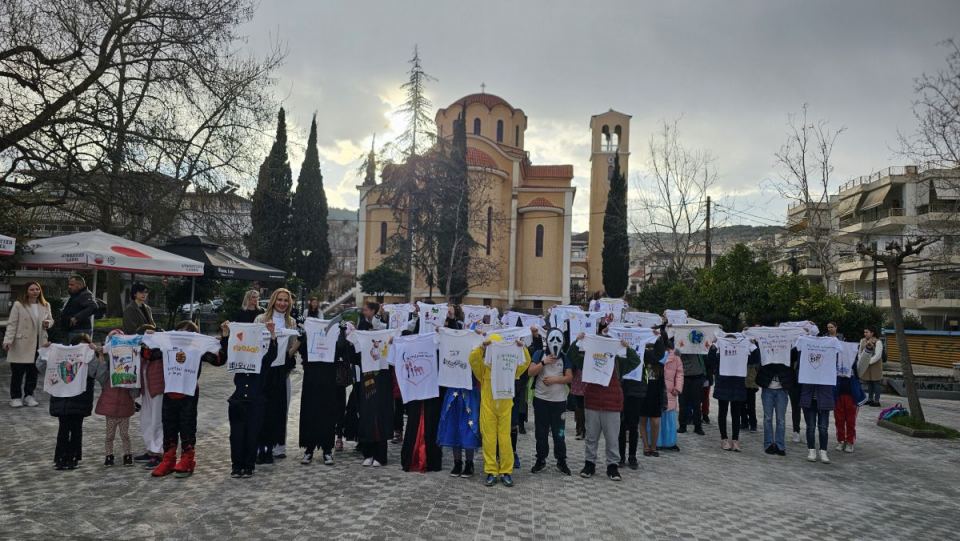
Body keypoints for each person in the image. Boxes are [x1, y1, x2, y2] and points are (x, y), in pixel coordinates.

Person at [142, 321, 225, 478]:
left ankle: (188, 460)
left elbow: (219, 360)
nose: (181, 337)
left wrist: (224, 340)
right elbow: (148, 355)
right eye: (179, 332)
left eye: (187, 333)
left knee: (187, 427)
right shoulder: (167, 345)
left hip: (189, 392)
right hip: (170, 391)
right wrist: (149, 339)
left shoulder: (198, 347)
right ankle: (168, 459)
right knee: (169, 426)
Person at [568, 323, 641, 482]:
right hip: (592, 403)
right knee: (591, 437)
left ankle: (612, 466)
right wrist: (577, 341)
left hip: (612, 405)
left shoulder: (620, 363)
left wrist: (626, 347)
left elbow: (635, 361)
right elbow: (572, 355)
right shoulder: (588, 360)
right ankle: (589, 464)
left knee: (612, 438)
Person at [469, 333, 531, 487]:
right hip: (488, 408)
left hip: (505, 408)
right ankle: (491, 471)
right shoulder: (484, 368)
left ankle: (506, 471)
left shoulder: (509, 366)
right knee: (489, 439)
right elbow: (473, 359)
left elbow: (525, 363)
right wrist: (481, 347)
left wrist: (521, 348)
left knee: (505, 439)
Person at [39, 334, 101, 470]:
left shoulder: (88, 359)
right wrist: (44, 353)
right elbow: (43, 368)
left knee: (76, 429)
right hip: (61, 401)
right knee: (63, 429)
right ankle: (60, 457)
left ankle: (73, 456)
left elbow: (94, 372)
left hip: (80, 402)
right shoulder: (60, 356)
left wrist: (93, 353)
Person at [226, 320, 278, 478]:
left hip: (256, 402)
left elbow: (271, 355)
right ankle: (236, 466)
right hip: (238, 401)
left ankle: (249, 466)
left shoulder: (262, 362)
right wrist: (226, 334)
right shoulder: (238, 359)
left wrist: (272, 335)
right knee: (236, 435)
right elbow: (227, 350)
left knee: (252, 435)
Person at [349, 301, 396, 467]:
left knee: (380, 413)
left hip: (382, 376)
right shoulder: (361, 330)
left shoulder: (386, 330)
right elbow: (354, 355)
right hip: (367, 375)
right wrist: (351, 336)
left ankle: (380, 455)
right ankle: (367, 452)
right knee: (367, 413)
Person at [254, 288, 299, 463]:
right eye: (279, 299)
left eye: (285, 301)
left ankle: (278, 446)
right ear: (273, 300)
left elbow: (291, 349)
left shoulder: (292, 322)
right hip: (263, 370)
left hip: (281, 370)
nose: (282, 303)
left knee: (280, 409)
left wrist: (298, 343)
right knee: (262, 409)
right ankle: (261, 446)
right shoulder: (261, 319)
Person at [298, 322, 346, 468]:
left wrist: (342, 333)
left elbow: (341, 350)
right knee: (310, 412)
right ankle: (309, 448)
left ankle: (327, 449)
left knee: (327, 413)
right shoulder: (308, 336)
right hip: (311, 379)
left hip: (328, 379)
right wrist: (304, 334)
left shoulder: (334, 338)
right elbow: (302, 352)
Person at [527, 328, 573, 476]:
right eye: (552, 339)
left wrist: (555, 380)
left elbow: (569, 377)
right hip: (541, 401)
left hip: (559, 402)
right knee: (541, 433)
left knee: (559, 434)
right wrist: (543, 362)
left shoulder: (564, 358)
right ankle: (540, 459)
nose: (555, 343)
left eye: (558, 340)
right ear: (547, 341)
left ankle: (561, 460)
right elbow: (530, 372)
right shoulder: (539, 354)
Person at [3, 281, 53, 408]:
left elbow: (51, 320)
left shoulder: (45, 305)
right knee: (17, 373)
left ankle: (29, 395)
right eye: (32, 289)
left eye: (37, 289)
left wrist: (48, 323)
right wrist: (7, 340)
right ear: (26, 291)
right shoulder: (18, 305)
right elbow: (12, 324)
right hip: (21, 343)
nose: (35, 291)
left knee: (33, 372)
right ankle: (15, 397)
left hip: (39, 343)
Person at [95, 331, 140, 467]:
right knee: (109, 436)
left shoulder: (130, 368)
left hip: (125, 409)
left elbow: (134, 392)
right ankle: (109, 455)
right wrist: (101, 354)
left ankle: (128, 455)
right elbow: (100, 373)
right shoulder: (107, 371)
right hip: (111, 410)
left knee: (125, 435)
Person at [757, 345, 794, 456]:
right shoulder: (765, 349)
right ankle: (768, 444)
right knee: (767, 418)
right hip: (768, 388)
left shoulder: (788, 348)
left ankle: (780, 445)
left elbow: (794, 357)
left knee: (781, 419)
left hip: (782, 389)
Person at [835, 325, 866, 454]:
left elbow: (863, 366)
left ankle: (850, 441)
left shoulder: (856, 359)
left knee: (851, 420)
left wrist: (868, 350)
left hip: (852, 395)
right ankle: (841, 440)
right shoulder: (836, 357)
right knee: (839, 420)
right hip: (838, 393)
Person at [676, 335, 707, 436]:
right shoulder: (679, 345)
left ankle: (698, 426)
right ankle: (682, 426)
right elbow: (675, 354)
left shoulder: (697, 345)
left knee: (697, 404)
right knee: (682, 403)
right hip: (684, 377)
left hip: (697, 377)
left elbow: (706, 351)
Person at [658, 340, 683, 451]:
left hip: (670, 391)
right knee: (656, 417)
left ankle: (670, 442)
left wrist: (678, 388)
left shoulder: (676, 357)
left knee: (669, 418)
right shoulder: (655, 355)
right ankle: (656, 442)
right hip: (657, 390)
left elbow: (680, 373)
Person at [59, 275, 98, 342]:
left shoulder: (85, 294)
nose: (69, 287)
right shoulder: (76, 295)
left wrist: (76, 317)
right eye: (69, 284)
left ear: (79, 285)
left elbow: (93, 307)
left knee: (75, 352)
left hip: (79, 331)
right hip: (73, 330)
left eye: (72, 285)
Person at [858, 328, 884, 407]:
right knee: (869, 382)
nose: (865, 334)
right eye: (864, 332)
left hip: (875, 365)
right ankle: (870, 399)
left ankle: (876, 401)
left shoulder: (878, 342)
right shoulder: (862, 341)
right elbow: (859, 352)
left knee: (876, 382)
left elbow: (878, 355)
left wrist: (869, 362)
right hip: (866, 364)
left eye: (867, 332)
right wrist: (861, 360)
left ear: (872, 333)